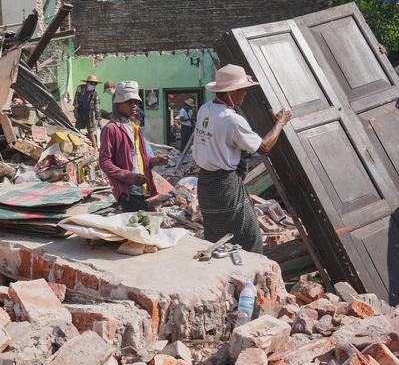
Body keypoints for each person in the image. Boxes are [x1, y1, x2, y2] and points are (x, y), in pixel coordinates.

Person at [193, 65, 292, 254]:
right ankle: (248, 278)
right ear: (232, 92)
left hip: (205, 183)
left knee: (216, 236)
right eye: (243, 90)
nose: (245, 94)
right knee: (249, 236)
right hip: (224, 186)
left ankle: (222, 273)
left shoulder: (205, 110)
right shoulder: (232, 120)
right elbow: (263, 147)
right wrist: (280, 122)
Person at [99, 81, 170, 212]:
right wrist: (129, 176)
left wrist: (154, 161)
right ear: (118, 104)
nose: (134, 105)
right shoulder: (111, 129)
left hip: (144, 188)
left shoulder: (134, 126)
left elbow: (137, 157)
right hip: (128, 192)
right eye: (129, 101)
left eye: (135, 102)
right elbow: (104, 162)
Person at [73, 75, 102, 147]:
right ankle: (76, 145)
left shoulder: (95, 94)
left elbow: (97, 107)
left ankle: (95, 148)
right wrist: (75, 111)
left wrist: (99, 119)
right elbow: (76, 100)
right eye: (92, 83)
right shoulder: (80, 88)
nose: (93, 85)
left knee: (91, 132)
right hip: (80, 111)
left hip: (90, 114)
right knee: (76, 130)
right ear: (88, 83)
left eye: (95, 84)